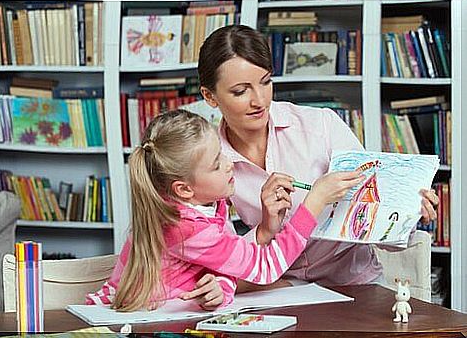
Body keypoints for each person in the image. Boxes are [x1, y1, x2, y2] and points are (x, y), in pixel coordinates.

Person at [197, 25, 439, 287]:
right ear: (210, 96)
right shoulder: (209, 160)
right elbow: (223, 256)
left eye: (266, 82)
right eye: (240, 91)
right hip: (280, 286)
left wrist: (407, 215)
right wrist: (264, 230)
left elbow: (374, 212)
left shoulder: (320, 126)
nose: (259, 100)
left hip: (353, 284)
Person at [86, 110, 364, 311]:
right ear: (184, 189)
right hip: (134, 320)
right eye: (216, 164)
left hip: (163, 314)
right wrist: (314, 202)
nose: (229, 164)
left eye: (222, 154)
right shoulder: (185, 226)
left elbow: (227, 266)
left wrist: (223, 286)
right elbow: (264, 268)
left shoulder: (199, 206)